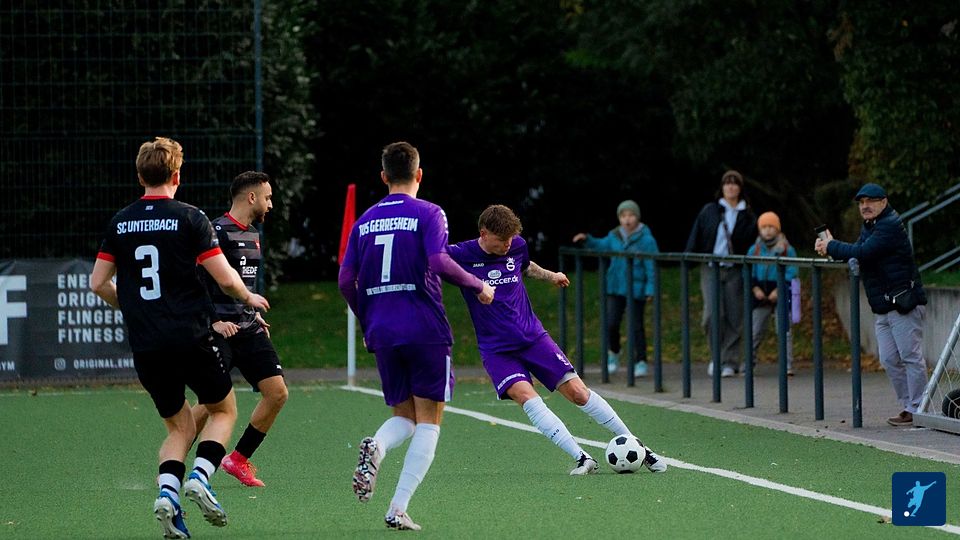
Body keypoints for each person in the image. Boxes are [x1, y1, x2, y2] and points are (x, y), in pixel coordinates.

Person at [89, 137, 270, 539]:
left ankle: (167, 494)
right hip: (190, 335)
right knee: (223, 410)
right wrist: (248, 297)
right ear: (176, 175)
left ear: (140, 176)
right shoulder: (190, 218)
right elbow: (225, 279)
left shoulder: (120, 222)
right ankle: (201, 477)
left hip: (147, 343)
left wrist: (134, 309)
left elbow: (98, 283)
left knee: (178, 428)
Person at [338, 141, 495, 531]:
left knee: (403, 416)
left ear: (383, 176)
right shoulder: (429, 212)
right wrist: (478, 284)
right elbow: (439, 261)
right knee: (429, 420)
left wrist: (368, 319)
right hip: (424, 328)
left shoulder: (364, 220)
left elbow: (345, 280)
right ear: (419, 174)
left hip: (382, 330)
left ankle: (378, 445)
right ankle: (397, 507)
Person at [451, 205, 667, 475]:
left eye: (510, 239)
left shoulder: (517, 246)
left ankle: (641, 448)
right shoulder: (460, 254)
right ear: (484, 233)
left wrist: (551, 276)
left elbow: (525, 267)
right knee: (527, 397)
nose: (508, 245)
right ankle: (582, 458)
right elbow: (430, 262)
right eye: (502, 240)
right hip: (497, 349)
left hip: (533, 338)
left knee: (578, 393)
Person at [190, 171, 288, 488]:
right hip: (219, 330)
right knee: (210, 402)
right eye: (267, 197)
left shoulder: (254, 234)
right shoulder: (216, 231)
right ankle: (173, 465)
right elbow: (194, 283)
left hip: (247, 327)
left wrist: (252, 313)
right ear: (251, 197)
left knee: (277, 393)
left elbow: (243, 285)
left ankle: (238, 459)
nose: (270, 204)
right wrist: (213, 322)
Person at [815, 182, 929, 427]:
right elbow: (859, 252)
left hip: (902, 303)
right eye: (861, 202)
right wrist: (832, 248)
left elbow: (864, 252)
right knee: (888, 359)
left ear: (883, 202)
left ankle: (920, 407)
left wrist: (832, 246)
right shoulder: (871, 225)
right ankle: (910, 406)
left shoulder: (889, 225)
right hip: (883, 305)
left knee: (910, 356)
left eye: (870, 201)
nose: (865, 206)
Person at [572, 200, 660, 378]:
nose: (627, 219)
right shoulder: (614, 236)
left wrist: (650, 288)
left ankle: (640, 360)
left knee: (636, 325)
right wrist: (587, 239)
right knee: (611, 323)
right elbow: (601, 245)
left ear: (637, 217)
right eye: (623, 215)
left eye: (631, 215)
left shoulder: (647, 240)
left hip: (636, 287)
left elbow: (651, 265)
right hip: (616, 286)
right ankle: (614, 352)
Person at [685, 170, 758, 377]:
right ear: (722, 187)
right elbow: (697, 233)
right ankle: (716, 356)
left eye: (735, 183)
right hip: (711, 266)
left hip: (735, 269)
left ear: (740, 188)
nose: (731, 187)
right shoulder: (710, 210)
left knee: (734, 317)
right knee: (712, 315)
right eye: (727, 183)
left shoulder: (748, 215)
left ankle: (729, 361)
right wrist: (688, 258)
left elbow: (752, 243)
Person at [748, 211, 798, 376]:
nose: (768, 230)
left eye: (771, 227)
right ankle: (749, 363)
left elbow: (792, 271)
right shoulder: (754, 249)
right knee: (755, 330)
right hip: (760, 292)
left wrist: (779, 289)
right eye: (764, 227)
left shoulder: (786, 249)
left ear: (777, 229)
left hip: (781, 291)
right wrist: (755, 288)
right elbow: (748, 271)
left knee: (783, 330)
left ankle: (787, 364)